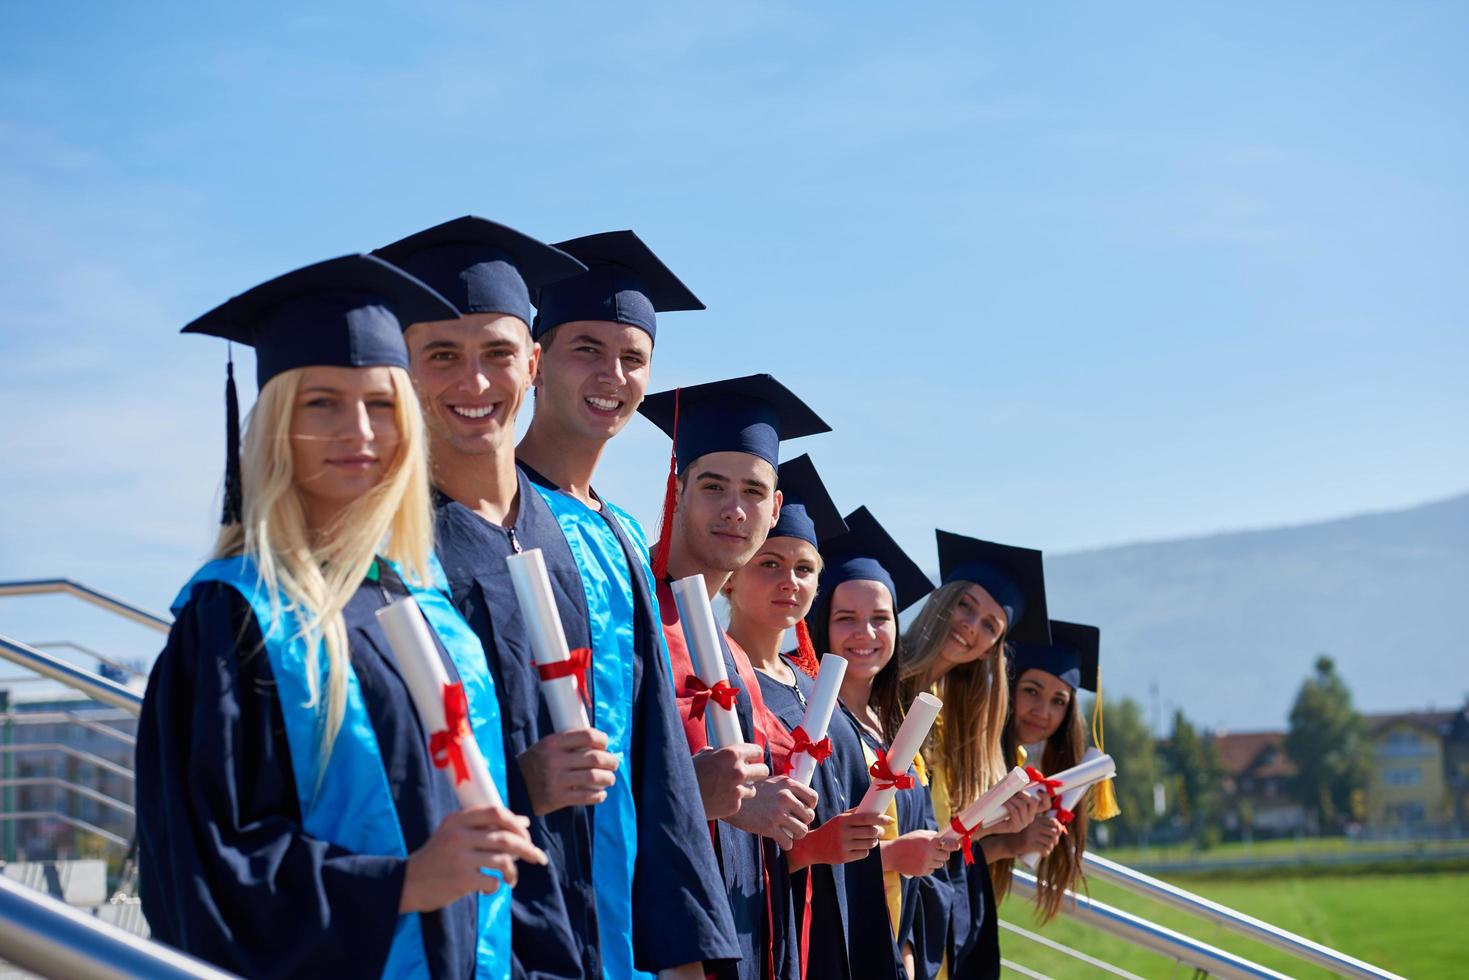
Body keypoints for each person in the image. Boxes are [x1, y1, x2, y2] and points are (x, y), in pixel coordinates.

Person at [136, 254, 545, 979]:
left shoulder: (422, 605)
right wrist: (407, 883)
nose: (358, 430)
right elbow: (202, 872)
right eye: (322, 403)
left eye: (381, 404)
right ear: (275, 430)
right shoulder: (235, 616)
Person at [376, 217, 735, 979]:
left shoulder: (616, 532)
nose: (611, 374)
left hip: (615, 924)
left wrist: (688, 949)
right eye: (587, 350)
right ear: (542, 364)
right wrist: (517, 782)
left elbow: (656, 749)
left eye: (632, 357)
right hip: (505, 919)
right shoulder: (426, 530)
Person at [639, 374, 829, 980]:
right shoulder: (634, 613)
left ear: (774, 508)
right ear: (678, 490)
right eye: (713, 486)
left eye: (753, 491)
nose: (734, 509)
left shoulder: (735, 656)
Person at [721, 455, 895, 980]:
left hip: (845, 920)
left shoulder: (818, 687)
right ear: (730, 578)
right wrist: (812, 849)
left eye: (804, 568)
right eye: (769, 564)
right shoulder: (717, 681)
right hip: (772, 934)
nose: (789, 582)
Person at [899, 532, 1052, 979]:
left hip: (938, 917)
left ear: (992, 648)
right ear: (942, 599)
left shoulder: (960, 723)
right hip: (885, 900)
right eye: (966, 604)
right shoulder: (881, 684)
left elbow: (945, 835)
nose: (971, 625)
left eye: (990, 625)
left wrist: (1001, 825)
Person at [805, 506, 949, 980]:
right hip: (830, 951)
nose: (865, 634)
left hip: (891, 952)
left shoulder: (897, 727)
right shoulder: (807, 720)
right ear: (820, 621)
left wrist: (905, 950)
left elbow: (920, 845)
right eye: (846, 617)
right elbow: (799, 851)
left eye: (880, 619)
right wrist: (891, 858)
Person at [994, 620, 1114, 922]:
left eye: (1059, 701)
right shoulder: (975, 755)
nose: (1043, 712)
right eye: (1031, 691)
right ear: (1008, 683)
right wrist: (1013, 843)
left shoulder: (1020, 766)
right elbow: (947, 857)